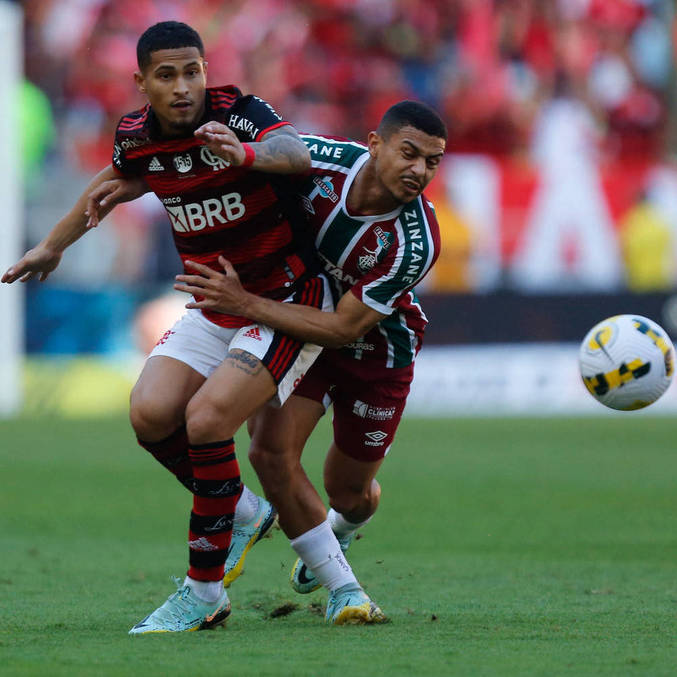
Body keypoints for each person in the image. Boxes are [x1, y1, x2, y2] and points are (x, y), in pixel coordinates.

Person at [2, 21, 382, 633]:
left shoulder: (241, 112)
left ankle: (203, 593)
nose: (184, 87)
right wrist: (53, 246)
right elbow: (116, 181)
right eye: (167, 75)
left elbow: (296, 153)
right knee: (150, 416)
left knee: (210, 423)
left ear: (207, 70)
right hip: (214, 305)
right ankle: (243, 513)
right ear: (142, 83)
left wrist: (246, 153)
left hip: (283, 298)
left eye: (193, 71)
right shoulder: (136, 136)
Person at [172, 101, 446, 602]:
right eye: (409, 154)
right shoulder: (320, 161)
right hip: (302, 329)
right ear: (375, 142)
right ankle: (338, 583)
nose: (419, 170)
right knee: (269, 452)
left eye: (432, 161)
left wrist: (245, 303)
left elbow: (344, 328)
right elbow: (263, 151)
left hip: (376, 353)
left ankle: (339, 527)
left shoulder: (416, 240)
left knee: (349, 492)